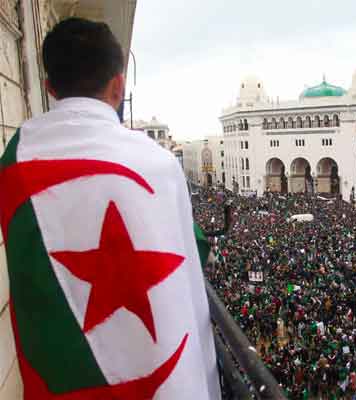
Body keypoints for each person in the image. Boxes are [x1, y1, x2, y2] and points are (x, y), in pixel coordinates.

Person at [0, 18, 219, 399]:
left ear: (50, 87)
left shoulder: (14, 161)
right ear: (118, 86)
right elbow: (191, 249)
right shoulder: (157, 163)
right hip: (151, 366)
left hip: (61, 374)